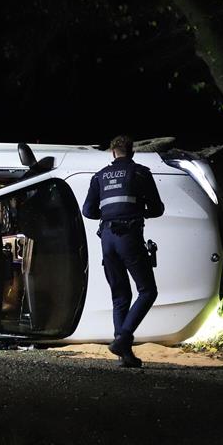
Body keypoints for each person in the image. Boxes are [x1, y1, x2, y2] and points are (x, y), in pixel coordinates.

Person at [82, 135, 165, 368]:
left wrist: (109, 215)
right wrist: (139, 212)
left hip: (106, 239)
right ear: (132, 152)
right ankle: (124, 337)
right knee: (148, 290)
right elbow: (157, 208)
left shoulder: (99, 176)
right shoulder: (140, 173)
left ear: (112, 152)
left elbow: (87, 211)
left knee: (120, 297)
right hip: (129, 236)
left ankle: (125, 356)